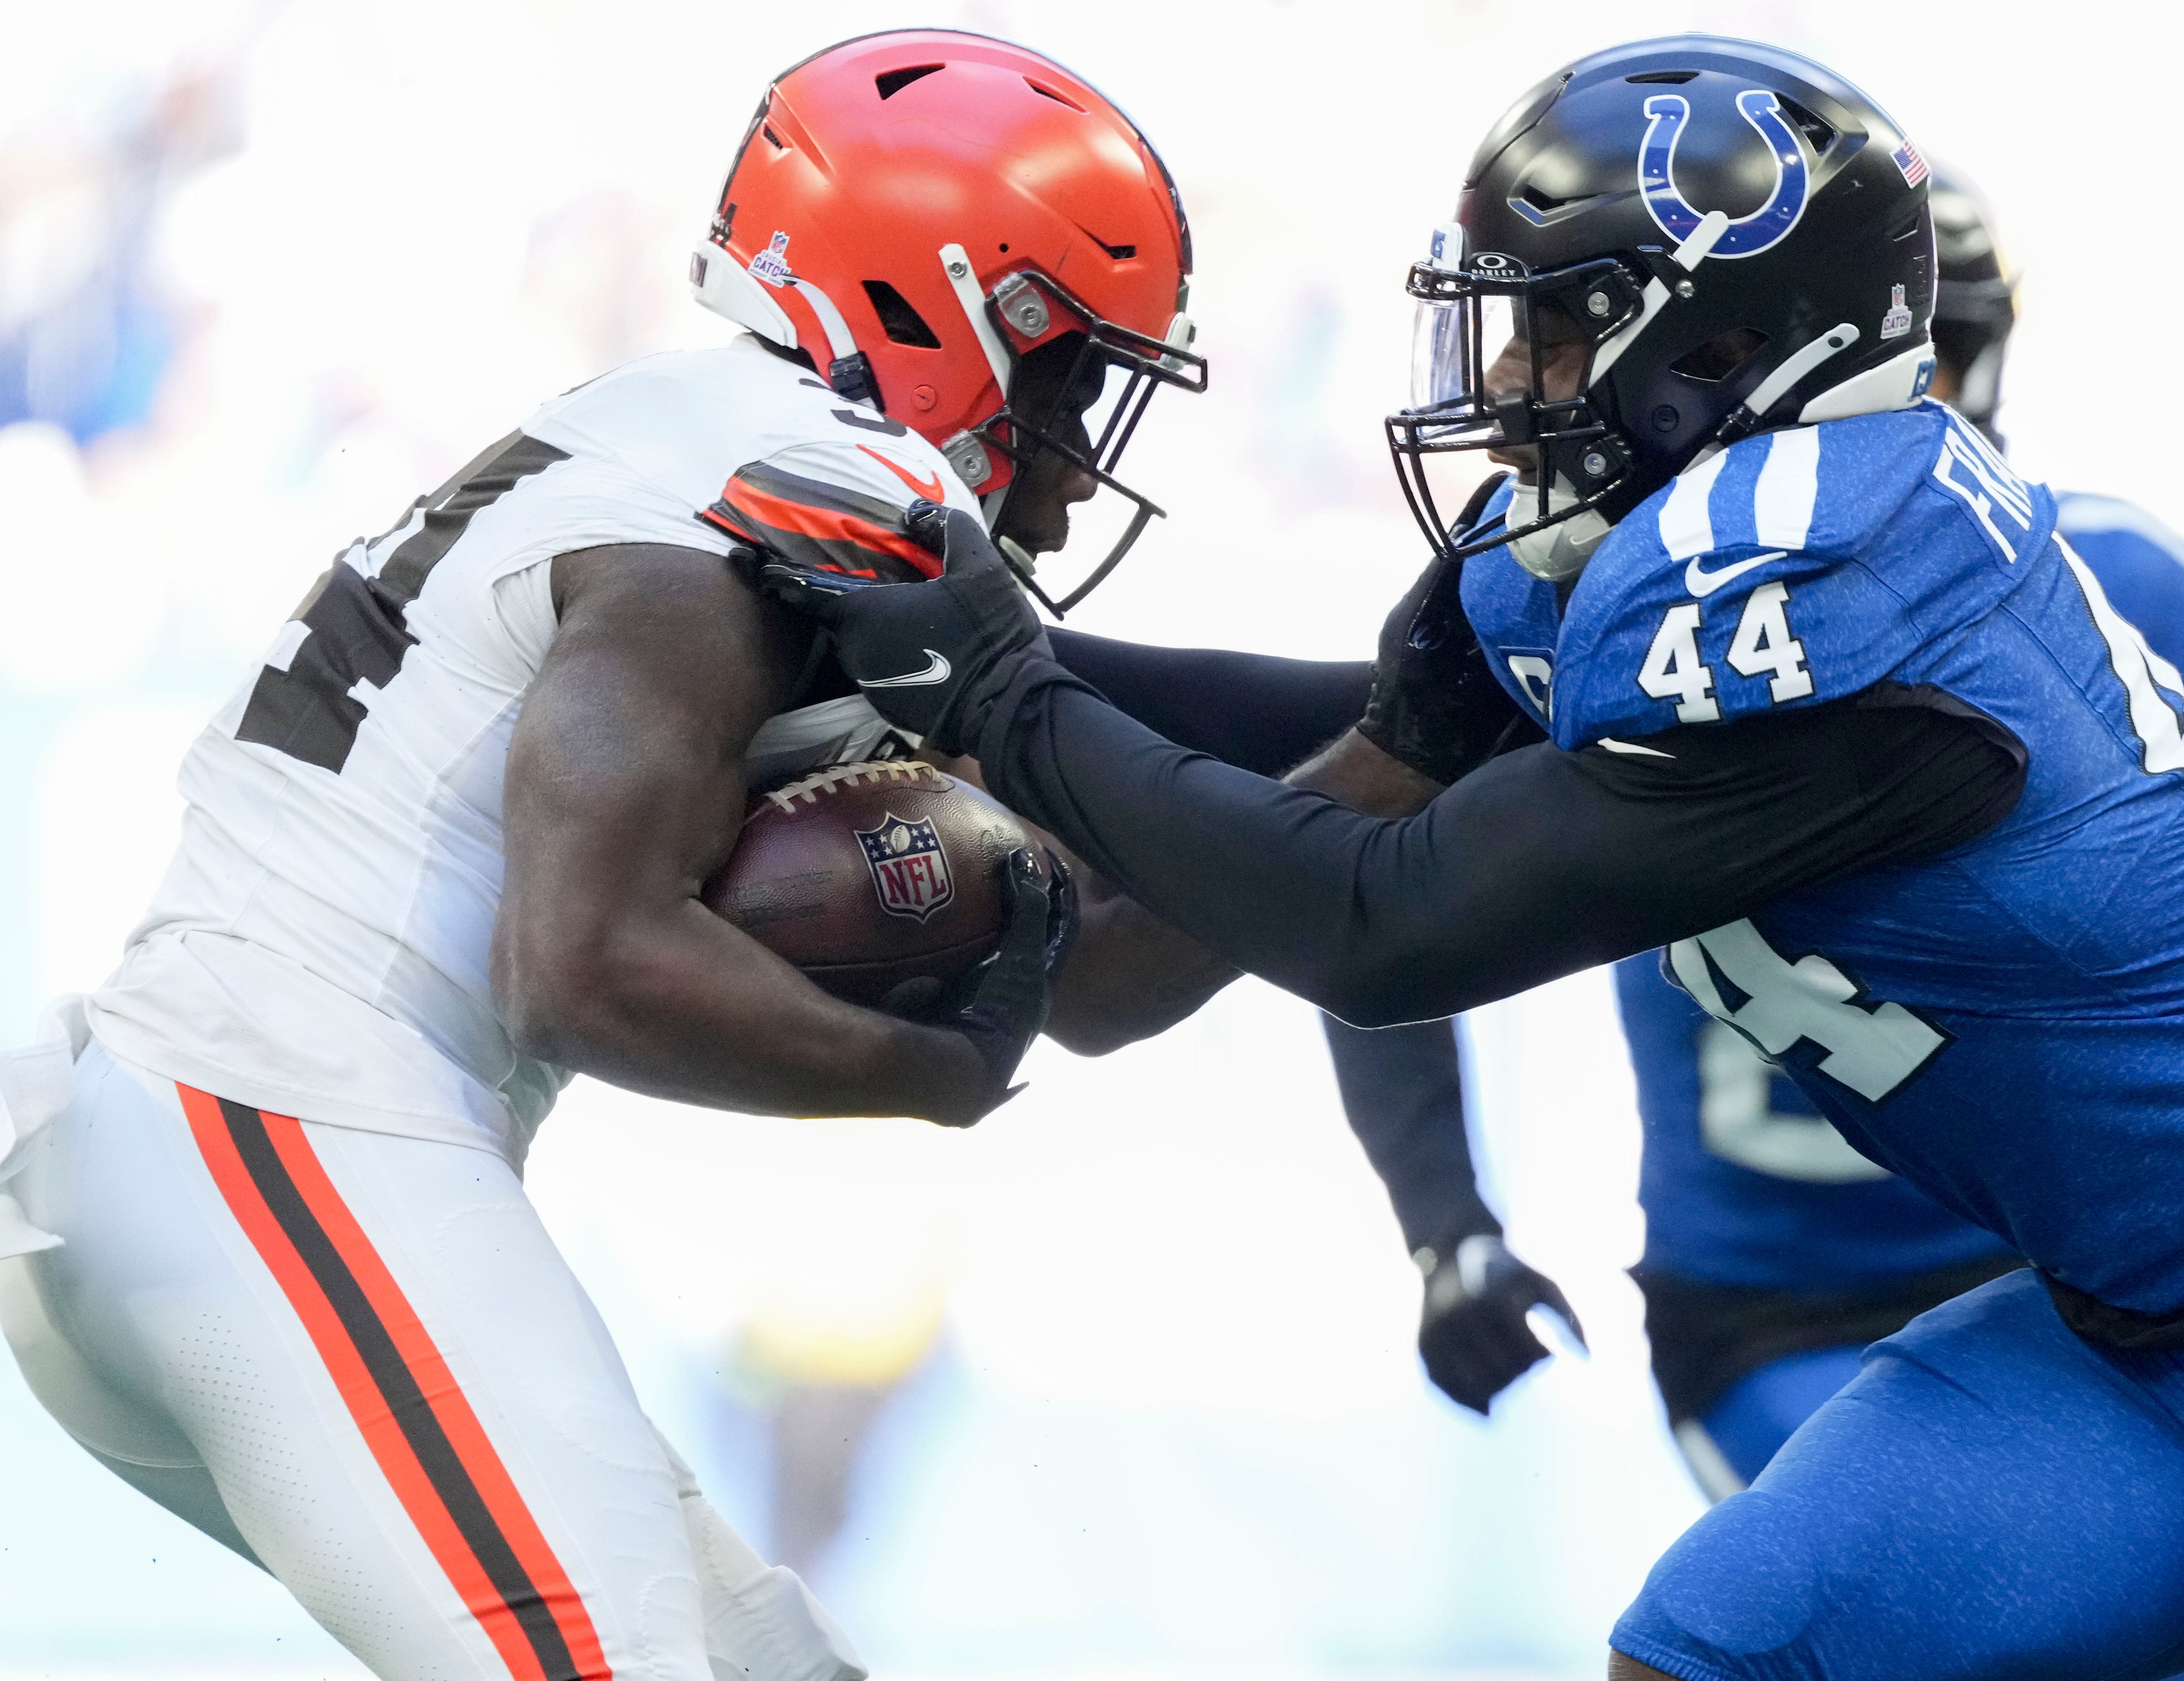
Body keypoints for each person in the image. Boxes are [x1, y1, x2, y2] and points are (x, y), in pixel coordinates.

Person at [774, 34, 2184, 1677]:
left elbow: (1383, 921)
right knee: (1720, 1644)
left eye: (1553, 334)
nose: (1506, 383)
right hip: (2120, 1323)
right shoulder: (1619, 562)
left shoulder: (1843, 605)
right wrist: (948, 666)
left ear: (1715, 358)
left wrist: (1002, 688)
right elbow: (1341, 789)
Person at [0, 31, 1255, 1680]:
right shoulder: (806, 490)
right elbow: (586, 963)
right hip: (282, 1129)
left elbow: (1102, 927)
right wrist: (929, 1068)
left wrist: (1420, 738)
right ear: (950, 307)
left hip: (208, 1150)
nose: (1080, 447)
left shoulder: (679, 433)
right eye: (1073, 371)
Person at [1324, 168, 2184, 1678]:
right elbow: (1367, 893)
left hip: (2092, 1278)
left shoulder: (2111, 589)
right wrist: (1448, 1227)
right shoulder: (1618, 620)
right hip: (1789, 1307)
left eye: (1940, 355)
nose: (1915, 399)